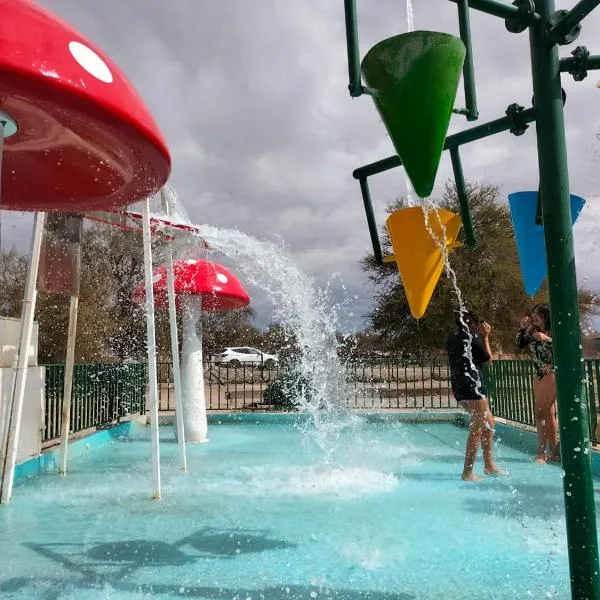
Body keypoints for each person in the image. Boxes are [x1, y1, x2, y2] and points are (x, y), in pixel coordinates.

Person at [446, 310, 505, 481]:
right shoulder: (472, 338)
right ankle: (467, 472)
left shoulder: (452, 337)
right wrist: (486, 337)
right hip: (473, 388)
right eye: (478, 324)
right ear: (472, 324)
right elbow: (488, 361)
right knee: (477, 429)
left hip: (460, 387)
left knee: (489, 423)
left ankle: (488, 465)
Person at [516, 303, 558, 463]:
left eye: (538, 313)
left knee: (541, 412)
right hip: (538, 374)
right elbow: (519, 344)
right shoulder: (532, 331)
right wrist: (522, 328)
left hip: (552, 372)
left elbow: (565, 347)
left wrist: (548, 340)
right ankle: (554, 451)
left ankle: (541, 453)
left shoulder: (553, 331)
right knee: (547, 413)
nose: (534, 316)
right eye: (533, 312)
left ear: (546, 316)